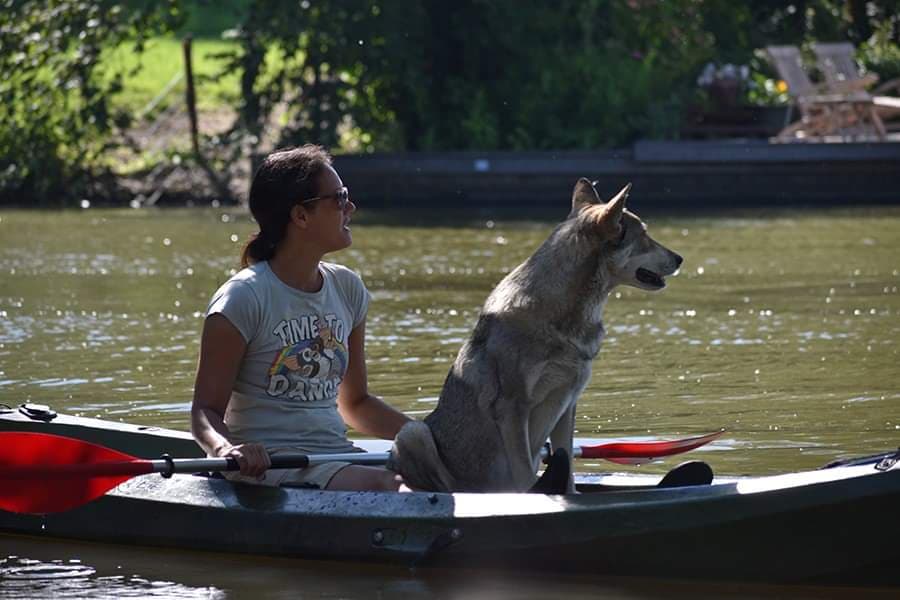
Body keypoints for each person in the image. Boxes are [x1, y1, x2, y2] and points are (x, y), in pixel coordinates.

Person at [191, 145, 411, 491]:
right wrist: (227, 448)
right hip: (269, 467)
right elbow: (204, 411)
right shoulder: (243, 297)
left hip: (333, 457)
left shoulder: (347, 288)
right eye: (338, 198)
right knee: (392, 487)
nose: (350, 207)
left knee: (438, 475)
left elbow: (355, 404)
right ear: (301, 216)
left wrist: (425, 438)